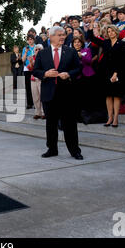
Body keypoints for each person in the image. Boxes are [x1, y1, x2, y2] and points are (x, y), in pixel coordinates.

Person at [33, 26, 83, 160]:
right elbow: (35, 70)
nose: (63, 37)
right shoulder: (42, 53)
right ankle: (52, 149)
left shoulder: (71, 51)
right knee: (51, 124)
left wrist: (69, 74)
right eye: (60, 35)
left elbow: (78, 68)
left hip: (67, 94)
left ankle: (75, 151)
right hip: (49, 94)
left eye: (64, 35)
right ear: (51, 37)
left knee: (70, 124)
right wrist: (45, 74)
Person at [88, 23, 125, 128]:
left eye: (112, 31)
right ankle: (110, 117)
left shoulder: (122, 44)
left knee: (116, 95)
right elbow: (92, 38)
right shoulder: (106, 43)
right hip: (106, 72)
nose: (110, 33)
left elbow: (123, 60)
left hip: (118, 72)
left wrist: (116, 73)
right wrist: (90, 28)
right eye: (108, 31)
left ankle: (115, 118)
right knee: (108, 95)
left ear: (116, 31)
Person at [28, 44, 45, 120]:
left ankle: (44, 112)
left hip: (41, 79)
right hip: (33, 79)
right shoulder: (32, 57)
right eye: (36, 49)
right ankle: (38, 113)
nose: (38, 51)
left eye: (39, 49)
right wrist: (31, 62)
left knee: (42, 96)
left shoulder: (45, 58)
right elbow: (30, 69)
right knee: (35, 97)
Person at [22, 34, 36, 109]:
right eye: (29, 39)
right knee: (28, 87)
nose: (30, 41)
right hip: (27, 69)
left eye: (31, 39)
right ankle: (29, 103)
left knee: (35, 87)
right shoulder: (25, 48)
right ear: (27, 41)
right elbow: (23, 60)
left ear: (34, 39)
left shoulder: (37, 47)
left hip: (35, 68)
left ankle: (36, 103)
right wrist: (25, 52)